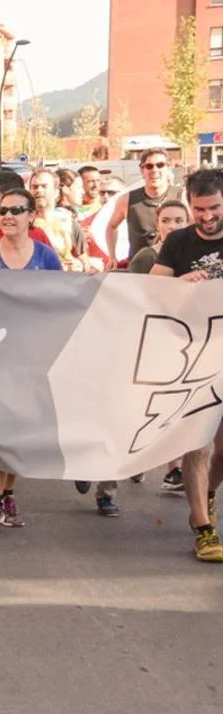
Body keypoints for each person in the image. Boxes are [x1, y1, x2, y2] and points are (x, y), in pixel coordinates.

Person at [0, 189, 62, 536]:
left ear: (31, 215)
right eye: (3, 211)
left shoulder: (46, 256)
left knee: (19, 433)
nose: (7, 216)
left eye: (16, 210)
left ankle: (8, 495)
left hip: (32, 356)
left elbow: (62, 301)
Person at [150, 169, 223, 561]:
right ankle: (204, 528)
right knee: (198, 443)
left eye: (214, 208)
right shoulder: (179, 241)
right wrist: (179, 287)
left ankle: (207, 493)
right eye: (199, 209)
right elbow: (151, 290)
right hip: (192, 356)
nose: (207, 217)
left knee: (221, 448)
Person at [124, 200, 187, 494]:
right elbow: (132, 297)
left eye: (179, 220)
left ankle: (174, 468)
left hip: (185, 340)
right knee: (148, 406)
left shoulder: (193, 253)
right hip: (151, 339)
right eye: (166, 220)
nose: (172, 226)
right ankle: (135, 455)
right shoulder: (146, 256)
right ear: (157, 223)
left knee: (179, 405)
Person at [106, 148, 184, 268]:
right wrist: (112, 257)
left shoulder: (182, 196)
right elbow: (111, 227)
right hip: (139, 268)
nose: (154, 170)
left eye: (160, 165)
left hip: (173, 267)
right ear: (142, 170)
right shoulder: (127, 199)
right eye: (149, 166)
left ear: (168, 168)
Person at [30, 169, 90, 271]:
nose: (39, 190)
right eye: (35, 187)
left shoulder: (68, 221)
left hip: (66, 278)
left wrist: (80, 265)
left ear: (56, 192)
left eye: (44, 186)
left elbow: (85, 260)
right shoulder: (24, 223)